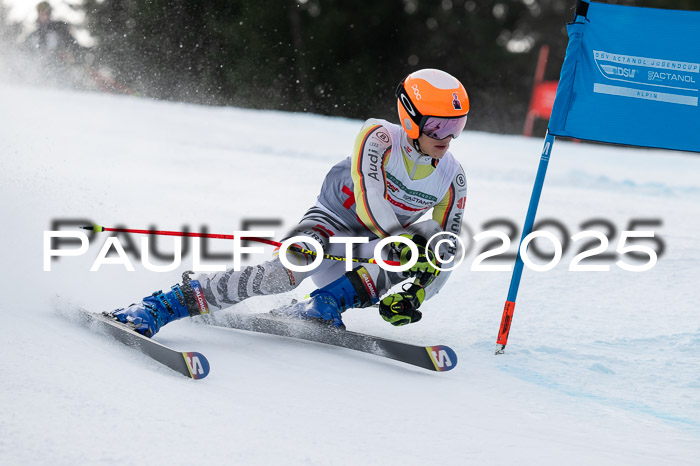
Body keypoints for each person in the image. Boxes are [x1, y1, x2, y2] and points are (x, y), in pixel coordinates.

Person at [111, 68, 469, 337]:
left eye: (457, 127)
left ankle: (324, 306)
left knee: (428, 242)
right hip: (329, 223)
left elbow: (446, 252)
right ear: (409, 117)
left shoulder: (453, 177)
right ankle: (159, 306)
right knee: (283, 275)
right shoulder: (378, 136)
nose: (447, 138)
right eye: (438, 126)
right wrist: (399, 238)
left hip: (370, 253)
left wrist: (416, 294)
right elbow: (368, 196)